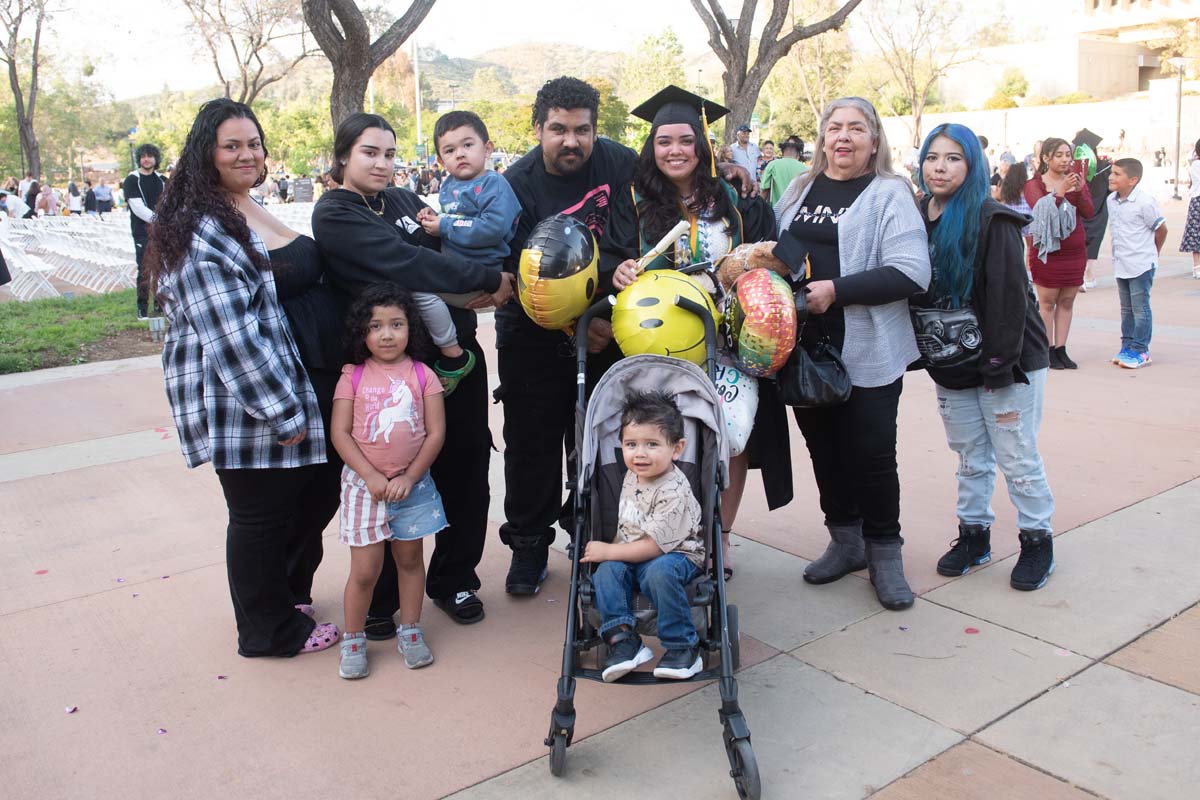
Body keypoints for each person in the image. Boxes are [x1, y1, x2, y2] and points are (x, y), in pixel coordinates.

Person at [147, 98, 338, 657]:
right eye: (232, 145)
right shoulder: (200, 231)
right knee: (259, 517)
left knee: (307, 501)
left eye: (253, 143)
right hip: (248, 405)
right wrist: (283, 410)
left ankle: (281, 598)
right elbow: (230, 339)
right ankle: (267, 631)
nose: (247, 154)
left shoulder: (242, 208)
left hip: (296, 388)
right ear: (206, 154)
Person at [313, 112, 511, 630]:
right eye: (369, 153)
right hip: (387, 371)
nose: (381, 163)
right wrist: (487, 276)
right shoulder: (334, 213)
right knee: (389, 473)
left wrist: (483, 280)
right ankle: (381, 597)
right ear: (343, 157)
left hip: (456, 360)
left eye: (389, 153)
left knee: (466, 469)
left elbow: (451, 245)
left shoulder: (403, 200)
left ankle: (455, 579)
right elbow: (411, 263)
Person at [605, 84, 791, 579]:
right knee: (660, 439)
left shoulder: (733, 197)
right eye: (664, 141)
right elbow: (611, 257)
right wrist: (617, 272)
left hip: (726, 341)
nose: (674, 150)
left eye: (685, 140)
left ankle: (720, 537)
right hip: (655, 342)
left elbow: (763, 256)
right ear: (652, 147)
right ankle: (659, 534)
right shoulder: (633, 199)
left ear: (702, 146)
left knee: (729, 438)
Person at [772, 96, 931, 611]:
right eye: (834, 128)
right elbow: (782, 249)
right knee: (825, 449)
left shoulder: (889, 193)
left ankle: (885, 554)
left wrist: (834, 289)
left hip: (867, 347)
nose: (843, 137)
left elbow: (912, 271)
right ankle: (846, 542)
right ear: (821, 138)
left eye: (856, 128)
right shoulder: (800, 188)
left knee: (872, 454)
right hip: (804, 348)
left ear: (874, 139)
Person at [914, 123, 1056, 592]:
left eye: (954, 158)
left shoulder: (992, 219)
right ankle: (974, 537)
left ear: (972, 165)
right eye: (933, 156)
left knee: (1016, 456)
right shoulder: (917, 215)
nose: (940, 166)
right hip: (952, 365)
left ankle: (1038, 541)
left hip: (1007, 361)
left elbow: (1010, 300)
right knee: (970, 457)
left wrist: (997, 365)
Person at [333, 284, 446, 678]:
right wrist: (371, 475)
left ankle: (411, 631)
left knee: (411, 560)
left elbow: (435, 433)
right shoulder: (353, 376)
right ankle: (353, 638)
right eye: (376, 325)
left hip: (411, 489)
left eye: (396, 324)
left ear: (410, 329)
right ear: (361, 332)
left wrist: (410, 477)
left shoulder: (423, 375)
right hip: (365, 490)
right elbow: (341, 434)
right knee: (365, 571)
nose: (386, 334)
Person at [581, 390, 705, 681]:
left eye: (652, 444)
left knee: (657, 573)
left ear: (676, 449)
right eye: (631, 444)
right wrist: (609, 557)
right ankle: (623, 640)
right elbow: (627, 529)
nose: (639, 453)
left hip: (676, 555)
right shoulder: (631, 474)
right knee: (606, 573)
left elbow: (653, 546)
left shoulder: (674, 490)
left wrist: (609, 552)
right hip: (635, 553)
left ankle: (682, 645)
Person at [414, 110, 522, 393]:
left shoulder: (494, 184)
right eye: (450, 150)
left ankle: (453, 356)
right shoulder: (449, 185)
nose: (460, 154)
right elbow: (456, 217)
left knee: (418, 290)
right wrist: (433, 216)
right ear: (440, 159)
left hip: (478, 275)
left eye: (467, 145)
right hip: (456, 270)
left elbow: (492, 227)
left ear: (487, 148)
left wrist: (445, 225)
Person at [1024, 137, 1093, 370]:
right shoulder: (1034, 184)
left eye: (1068, 155)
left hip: (1074, 251)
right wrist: (1061, 190)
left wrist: (1081, 189)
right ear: (1046, 158)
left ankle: (1062, 349)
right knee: (1047, 302)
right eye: (1059, 155)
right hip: (1048, 252)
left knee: (1067, 300)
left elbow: (1089, 212)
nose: (1065, 160)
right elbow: (1041, 211)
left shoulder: (1076, 180)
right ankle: (1047, 349)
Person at [1107, 158, 1166, 370]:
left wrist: (1153, 253)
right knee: (1126, 309)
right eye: (1111, 173)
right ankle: (1127, 346)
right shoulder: (1111, 200)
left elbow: (1161, 229)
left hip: (1141, 264)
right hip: (1122, 263)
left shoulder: (1145, 202)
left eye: (1117, 174)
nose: (1111, 177)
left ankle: (1141, 350)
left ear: (1133, 180)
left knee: (1140, 308)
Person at [125, 143, 168, 319]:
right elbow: (137, 208)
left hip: (162, 233)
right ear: (139, 159)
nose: (146, 159)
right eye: (143, 156)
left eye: (150, 156)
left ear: (155, 159)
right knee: (144, 270)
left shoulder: (163, 181)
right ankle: (142, 308)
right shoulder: (132, 180)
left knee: (162, 270)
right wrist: (160, 221)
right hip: (142, 232)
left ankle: (160, 304)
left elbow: (169, 203)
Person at [1073, 129, 1110, 291]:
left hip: (1081, 209)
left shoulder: (1077, 169)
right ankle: (1088, 273)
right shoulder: (1106, 168)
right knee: (1094, 241)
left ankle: (1080, 274)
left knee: (1080, 241)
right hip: (1100, 208)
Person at [759, 138, 808, 206]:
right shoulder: (806, 169)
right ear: (797, 154)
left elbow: (764, 191)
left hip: (776, 211)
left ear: (782, 152)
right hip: (796, 211)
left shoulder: (772, 165)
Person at [1179, 138, 1200, 280]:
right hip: (1198, 200)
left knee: (1196, 235)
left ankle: (1197, 268)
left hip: (1196, 201)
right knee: (1196, 236)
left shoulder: (1195, 164)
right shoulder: (1196, 164)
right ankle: (1197, 268)